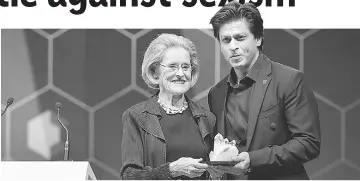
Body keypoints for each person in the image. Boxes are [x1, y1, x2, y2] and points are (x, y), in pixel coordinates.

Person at [207, 1, 321, 179]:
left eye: (240, 37)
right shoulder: (216, 93)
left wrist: (253, 159)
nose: (233, 46)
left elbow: (308, 143)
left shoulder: (289, 80)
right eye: (226, 40)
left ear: (258, 38)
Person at [120, 33, 216, 180]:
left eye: (185, 66)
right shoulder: (136, 117)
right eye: (172, 66)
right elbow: (129, 176)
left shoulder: (207, 119)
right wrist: (172, 170)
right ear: (154, 72)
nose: (180, 73)